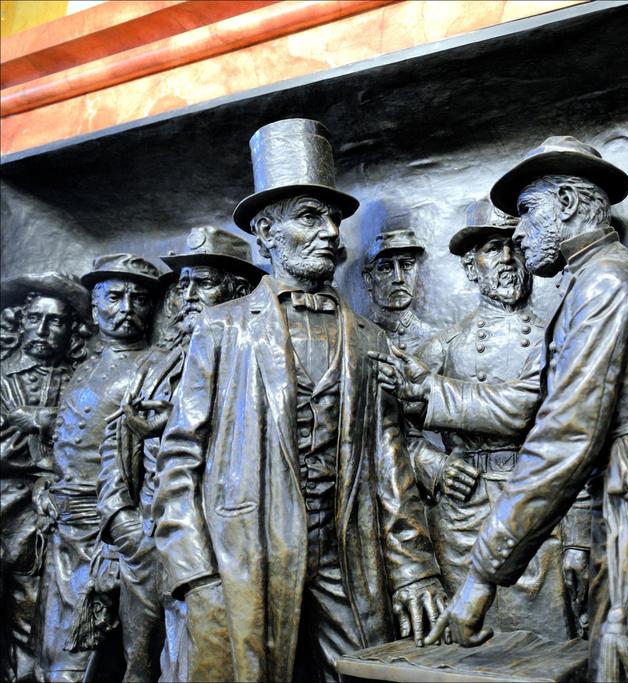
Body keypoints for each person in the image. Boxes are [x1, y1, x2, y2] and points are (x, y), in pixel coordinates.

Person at [378, 136, 628, 681]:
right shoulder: (594, 279)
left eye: (528, 213)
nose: (520, 233)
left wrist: (483, 575)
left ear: (570, 205)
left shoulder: (606, 282)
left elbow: (566, 434)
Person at [152, 119, 444, 683]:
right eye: (309, 217)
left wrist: (412, 569)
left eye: (334, 218)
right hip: (245, 556)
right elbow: (179, 457)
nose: (331, 232)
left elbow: (391, 464)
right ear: (266, 231)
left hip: (347, 555)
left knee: (363, 672)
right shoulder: (221, 329)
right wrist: (192, 570)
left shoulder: (368, 338)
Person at [404, 198, 578, 641]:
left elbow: (562, 425)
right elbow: (390, 429)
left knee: (542, 647)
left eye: (514, 246)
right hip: (463, 512)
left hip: (535, 503)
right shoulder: (445, 347)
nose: (507, 259)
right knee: (468, 649)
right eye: (493, 249)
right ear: (469, 267)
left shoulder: (557, 335)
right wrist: (436, 467)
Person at [97, 227, 264, 682]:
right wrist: (121, 522)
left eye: (203, 283)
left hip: (215, 547)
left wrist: (169, 425)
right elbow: (116, 446)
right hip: (146, 542)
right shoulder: (155, 362)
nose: (188, 295)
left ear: (238, 292)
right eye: (183, 284)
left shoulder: (253, 357)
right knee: (141, 666)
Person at [37, 254, 161, 682]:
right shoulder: (85, 366)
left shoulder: (154, 368)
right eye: (114, 296)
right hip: (64, 531)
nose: (126, 307)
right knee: (55, 654)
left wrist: (119, 537)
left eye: (138, 297)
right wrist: (46, 484)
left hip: (106, 533)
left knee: (86, 660)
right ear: (94, 307)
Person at [0, 273, 91, 683]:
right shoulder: (4, 377)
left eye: (55, 321)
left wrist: (41, 425)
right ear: (20, 321)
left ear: (72, 329)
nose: (42, 330)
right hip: (6, 498)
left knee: (29, 609)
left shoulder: (81, 378)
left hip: (41, 514)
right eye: (34, 318)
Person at [362, 227, 433, 353]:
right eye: (385, 268)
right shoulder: (358, 336)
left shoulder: (432, 337)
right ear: (368, 280)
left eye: (407, 265)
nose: (399, 279)